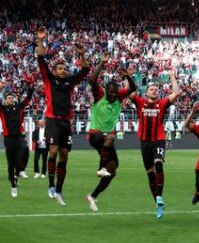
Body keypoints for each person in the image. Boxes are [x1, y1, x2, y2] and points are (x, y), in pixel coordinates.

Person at [37, 27, 89, 206]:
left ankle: (59, 189)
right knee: (52, 150)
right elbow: (40, 59)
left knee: (64, 155)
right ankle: (51, 186)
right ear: (55, 70)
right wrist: (41, 40)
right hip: (52, 120)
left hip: (66, 122)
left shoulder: (69, 81)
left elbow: (85, 71)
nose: (63, 70)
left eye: (65, 68)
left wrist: (82, 54)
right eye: (60, 68)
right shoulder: (48, 79)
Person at [85, 54, 137, 212]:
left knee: (113, 170)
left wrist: (128, 77)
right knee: (109, 138)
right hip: (95, 134)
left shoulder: (119, 97)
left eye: (116, 92)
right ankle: (101, 167)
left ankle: (93, 196)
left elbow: (133, 89)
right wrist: (102, 63)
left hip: (107, 140)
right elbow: (92, 80)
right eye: (111, 92)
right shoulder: (99, 94)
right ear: (106, 90)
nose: (114, 95)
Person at [131, 67, 180, 218]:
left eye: (156, 89)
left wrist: (172, 77)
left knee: (158, 163)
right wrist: (130, 76)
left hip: (158, 139)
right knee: (150, 174)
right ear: (146, 93)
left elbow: (176, 93)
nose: (154, 90)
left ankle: (159, 196)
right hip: (145, 142)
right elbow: (130, 93)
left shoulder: (162, 104)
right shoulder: (140, 103)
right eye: (151, 89)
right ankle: (158, 201)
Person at [0, 77, 34, 197]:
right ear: (5, 100)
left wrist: (30, 87)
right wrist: (0, 87)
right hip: (9, 138)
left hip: (19, 136)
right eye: (9, 98)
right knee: (11, 162)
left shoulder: (19, 107)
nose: (11, 99)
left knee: (25, 149)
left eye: (12, 97)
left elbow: (28, 99)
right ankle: (13, 186)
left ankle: (20, 170)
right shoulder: (3, 110)